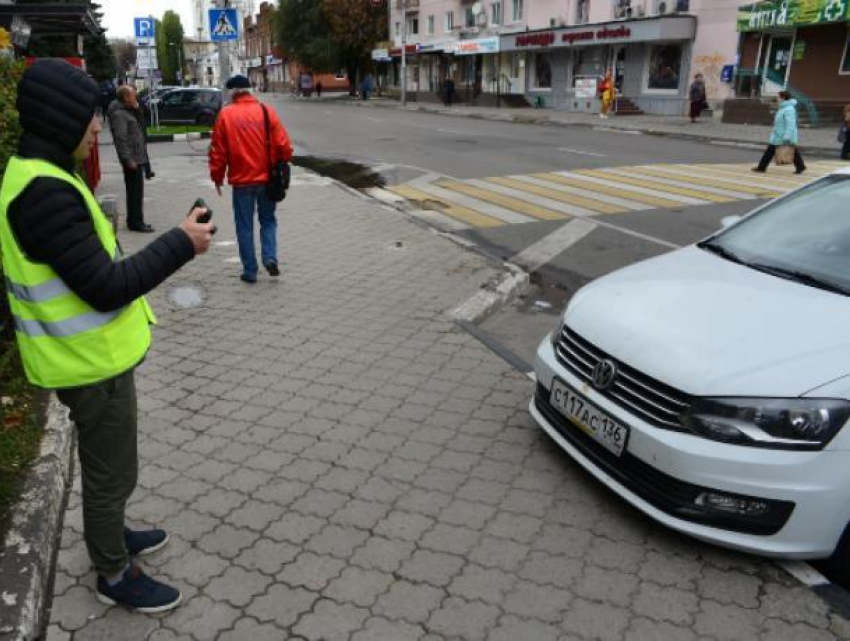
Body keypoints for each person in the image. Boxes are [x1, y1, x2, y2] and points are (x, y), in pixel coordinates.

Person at [0, 59, 215, 613]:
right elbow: (105, 286)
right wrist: (180, 243)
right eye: (89, 119)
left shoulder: (41, 173)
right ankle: (114, 572)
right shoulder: (43, 192)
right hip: (87, 364)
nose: (97, 128)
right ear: (60, 119)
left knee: (112, 467)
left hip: (91, 358)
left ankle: (113, 533)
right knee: (110, 472)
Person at [210, 74, 293, 283]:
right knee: (268, 221)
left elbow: (218, 153)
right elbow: (284, 146)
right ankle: (270, 258)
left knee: (244, 226)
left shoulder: (225, 115)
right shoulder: (266, 111)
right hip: (267, 180)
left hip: (241, 182)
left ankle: (250, 271)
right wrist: (281, 161)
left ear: (232, 92)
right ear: (249, 90)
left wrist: (217, 177)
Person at [108, 85, 154, 231]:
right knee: (134, 192)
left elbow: (141, 123)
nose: (136, 98)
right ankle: (135, 223)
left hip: (138, 157)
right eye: (134, 95)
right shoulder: (120, 114)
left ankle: (136, 220)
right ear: (126, 97)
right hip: (132, 160)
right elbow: (120, 139)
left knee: (137, 191)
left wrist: (136, 108)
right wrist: (128, 159)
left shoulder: (129, 111)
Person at [753, 90, 806, 175]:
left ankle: (761, 167)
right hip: (778, 135)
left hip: (783, 135)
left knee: (790, 150)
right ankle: (800, 166)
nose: (777, 98)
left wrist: (787, 136)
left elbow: (790, 124)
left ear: (783, 98)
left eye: (778, 97)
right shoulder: (783, 108)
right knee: (771, 151)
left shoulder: (789, 109)